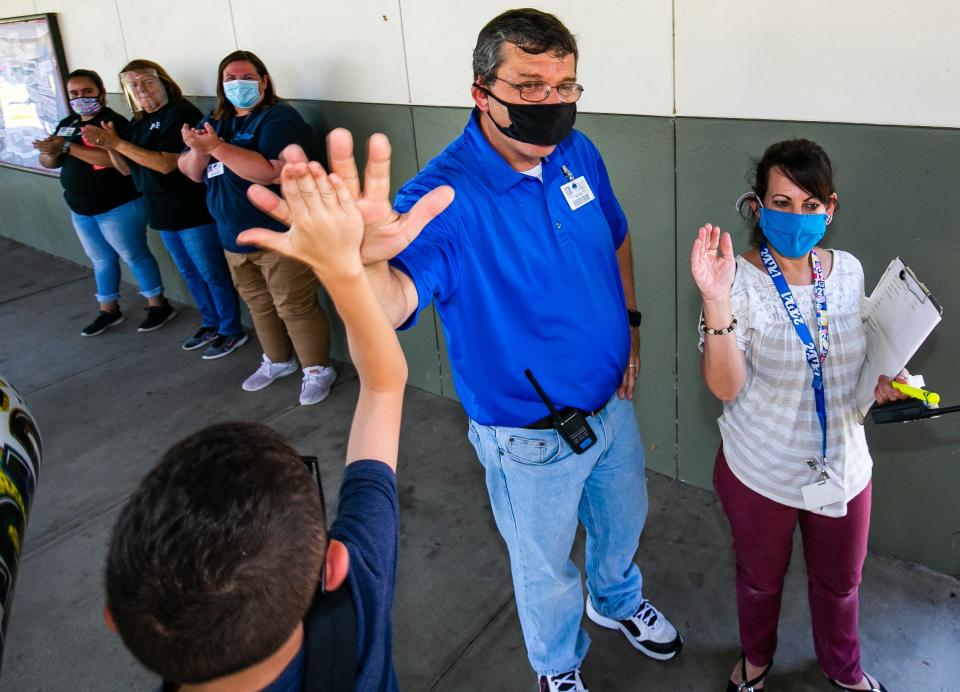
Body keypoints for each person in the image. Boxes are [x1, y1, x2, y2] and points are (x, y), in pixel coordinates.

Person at [252, 9, 682, 690]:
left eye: (565, 85)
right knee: (543, 567)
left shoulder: (579, 152)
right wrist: (356, 266)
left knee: (623, 522)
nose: (553, 103)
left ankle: (616, 600)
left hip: (611, 404)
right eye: (531, 86)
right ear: (481, 91)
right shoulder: (442, 196)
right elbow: (394, 300)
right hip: (528, 436)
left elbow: (618, 235)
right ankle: (557, 665)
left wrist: (628, 325)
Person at [105, 155, 409, 690]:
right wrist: (344, 270)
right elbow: (383, 385)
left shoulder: (345, 581)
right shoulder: (355, 609)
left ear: (116, 621)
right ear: (333, 567)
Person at [689, 138, 907, 692]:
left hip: (844, 467)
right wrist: (715, 302)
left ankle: (843, 668)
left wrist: (880, 382)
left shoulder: (850, 271)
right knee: (761, 582)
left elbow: (851, 355)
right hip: (761, 470)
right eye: (781, 202)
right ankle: (757, 661)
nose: (796, 216)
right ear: (757, 206)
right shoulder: (736, 280)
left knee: (841, 585)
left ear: (830, 210)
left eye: (811, 204)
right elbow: (725, 384)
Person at [178, 50, 335, 403]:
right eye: (229, 78)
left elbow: (271, 171)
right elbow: (190, 171)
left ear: (263, 81)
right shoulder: (215, 119)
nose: (237, 84)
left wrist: (216, 147)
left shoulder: (278, 118)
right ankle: (278, 360)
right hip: (233, 237)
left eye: (246, 77)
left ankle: (317, 369)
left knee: (294, 305)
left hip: (280, 235)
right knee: (259, 305)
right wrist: (199, 149)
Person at [84, 59, 246, 358]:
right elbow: (125, 169)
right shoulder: (137, 121)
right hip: (160, 212)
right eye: (133, 84)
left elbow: (166, 163)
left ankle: (230, 330)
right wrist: (110, 147)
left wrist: (118, 143)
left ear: (164, 82)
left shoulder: (179, 113)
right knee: (189, 272)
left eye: (147, 81)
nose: (141, 89)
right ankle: (210, 323)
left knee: (212, 273)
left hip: (191, 209)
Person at [32, 69, 176, 336]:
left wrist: (66, 147)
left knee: (134, 255)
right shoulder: (67, 123)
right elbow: (50, 162)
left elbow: (111, 161)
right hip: (81, 208)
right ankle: (108, 309)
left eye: (87, 91)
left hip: (117, 206)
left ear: (100, 91)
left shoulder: (112, 122)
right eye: (74, 93)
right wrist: (49, 152)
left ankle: (158, 305)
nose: (80, 98)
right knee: (100, 259)